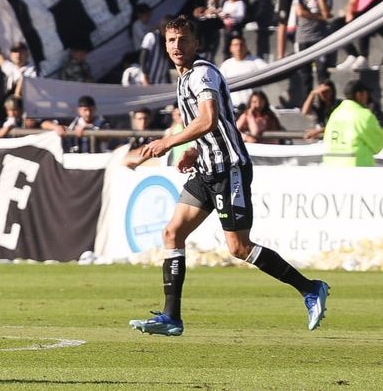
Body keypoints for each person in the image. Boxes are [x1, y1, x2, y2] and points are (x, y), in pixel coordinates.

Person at [126, 17, 329, 337]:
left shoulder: (203, 73)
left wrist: (168, 142)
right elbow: (208, 128)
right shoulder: (182, 78)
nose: (176, 46)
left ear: (196, 43)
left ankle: (310, 288)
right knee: (172, 233)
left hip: (228, 169)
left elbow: (207, 119)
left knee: (238, 247)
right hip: (205, 168)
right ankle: (171, 317)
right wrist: (193, 151)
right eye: (171, 40)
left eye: (183, 40)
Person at [292, 0, 333, 92]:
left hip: (320, 38)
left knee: (322, 73)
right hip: (303, 38)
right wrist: (320, 18)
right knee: (305, 75)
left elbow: (326, 12)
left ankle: (324, 104)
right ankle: (307, 106)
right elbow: (300, 12)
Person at [323, 80, 383, 167]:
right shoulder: (363, 115)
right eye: (366, 93)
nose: (367, 97)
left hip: (331, 166)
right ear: (359, 95)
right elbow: (378, 145)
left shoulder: (335, 114)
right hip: (357, 167)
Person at [219, 34, 267, 112]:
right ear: (230, 48)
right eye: (235, 45)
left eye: (241, 45)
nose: (239, 48)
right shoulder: (226, 65)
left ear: (245, 46)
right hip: (233, 109)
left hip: (253, 109)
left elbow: (269, 73)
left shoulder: (256, 62)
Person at [0, 33, 37, 97]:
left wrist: (16, 97)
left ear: (27, 54)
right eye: (15, 51)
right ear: (11, 55)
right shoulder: (11, 68)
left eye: (21, 51)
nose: (18, 55)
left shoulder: (34, 71)